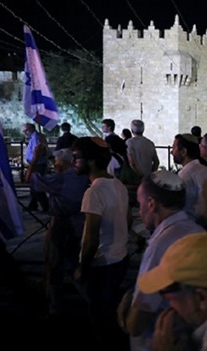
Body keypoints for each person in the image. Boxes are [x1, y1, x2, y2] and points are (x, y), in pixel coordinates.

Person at [117, 170, 205, 351]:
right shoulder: (198, 232)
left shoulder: (162, 245)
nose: (139, 211)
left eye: (140, 204)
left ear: (151, 204)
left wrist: (124, 317)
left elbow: (137, 323)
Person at [72, 136, 131, 350]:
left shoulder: (93, 192)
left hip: (101, 265)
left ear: (92, 161)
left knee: (99, 318)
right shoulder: (118, 185)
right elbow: (128, 219)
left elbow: (91, 237)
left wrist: (82, 267)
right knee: (109, 313)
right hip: (120, 258)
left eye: (77, 158)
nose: (73, 162)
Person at [25, 147, 89, 316]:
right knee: (74, 264)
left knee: (55, 264)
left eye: (56, 160)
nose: (54, 163)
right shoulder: (81, 177)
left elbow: (30, 179)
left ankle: (56, 305)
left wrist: (35, 159)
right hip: (79, 224)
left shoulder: (59, 179)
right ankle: (91, 299)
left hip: (62, 225)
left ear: (63, 162)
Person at [171, 133, 207, 229]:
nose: (171, 152)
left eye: (174, 148)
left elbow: (179, 210)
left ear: (184, 151)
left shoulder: (184, 176)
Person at [22, 122, 50, 212]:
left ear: (31, 129)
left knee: (37, 185)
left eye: (26, 130)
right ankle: (33, 204)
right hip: (37, 164)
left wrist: (32, 165)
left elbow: (37, 153)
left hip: (37, 164)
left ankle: (46, 206)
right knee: (34, 186)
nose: (25, 133)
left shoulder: (36, 138)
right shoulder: (35, 137)